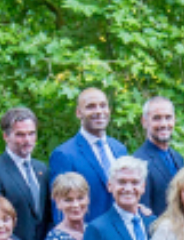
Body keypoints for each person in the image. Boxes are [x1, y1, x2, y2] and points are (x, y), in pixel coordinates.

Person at [48, 87, 126, 223]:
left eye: (103, 106)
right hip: (87, 236)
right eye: (91, 107)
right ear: (79, 113)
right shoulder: (64, 154)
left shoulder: (119, 149)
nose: (99, 111)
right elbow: (60, 210)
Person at [0, 107, 52, 240]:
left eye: (31, 134)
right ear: (6, 136)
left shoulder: (41, 169)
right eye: (20, 135)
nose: (27, 140)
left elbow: (48, 214)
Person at [133, 95, 184, 215]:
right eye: (157, 118)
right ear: (144, 122)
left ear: (174, 120)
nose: (163, 124)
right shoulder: (138, 162)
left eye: (168, 118)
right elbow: (143, 213)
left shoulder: (178, 158)